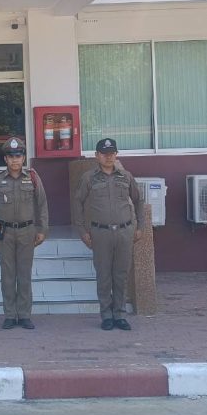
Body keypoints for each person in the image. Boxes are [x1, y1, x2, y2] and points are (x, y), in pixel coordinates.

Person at [73, 137, 147, 331]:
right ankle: (106, 315)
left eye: (112, 153)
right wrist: (82, 230)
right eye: (104, 154)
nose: (108, 157)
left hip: (124, 232)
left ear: (116, 155)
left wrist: (140, 226)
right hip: (100, 233)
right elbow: (77, 203)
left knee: (121, 275)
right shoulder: (89, 178)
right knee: (104, 276)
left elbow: (138, 201)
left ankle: (120, 315)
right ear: (97, 156)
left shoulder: (126, 176)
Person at [0, 136, 48, 330]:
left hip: (27, 231)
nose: (14, 160)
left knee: (24, 275)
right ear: (5, 159)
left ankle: (25, 314)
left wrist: (42, 229)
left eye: (18, 156)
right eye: (11, 157)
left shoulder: (33, 177)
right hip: (5, 233)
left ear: (23, 158)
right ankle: (10, 315)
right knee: (8, 275)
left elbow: (42, 204)